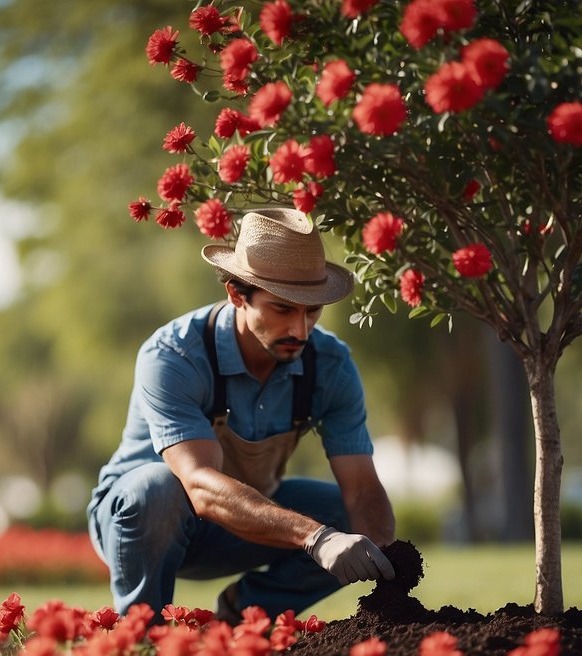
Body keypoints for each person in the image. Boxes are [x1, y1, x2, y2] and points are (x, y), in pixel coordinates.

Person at [87, 206, 396, 624]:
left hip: (244, 523)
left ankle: (243, 617)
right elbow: (198, 485)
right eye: (283, 309)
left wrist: (382, 560)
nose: (301, 331)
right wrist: (316, 538)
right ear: (237, 294)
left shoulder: (330, 364)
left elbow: (361, 488)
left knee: (344, 513)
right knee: (158, 488)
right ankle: (143, 638)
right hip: (144, 524)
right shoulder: (174, 355)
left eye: (312, 311)